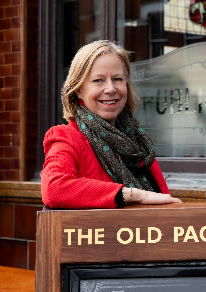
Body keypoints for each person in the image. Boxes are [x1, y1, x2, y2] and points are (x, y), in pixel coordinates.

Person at [41, 40, 181, 209]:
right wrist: (134, 194)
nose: (110, 89)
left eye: (117, 79)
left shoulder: (137, 143)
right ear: (78, 89)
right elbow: (54, 189)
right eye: (98, 80)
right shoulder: (67, 139)